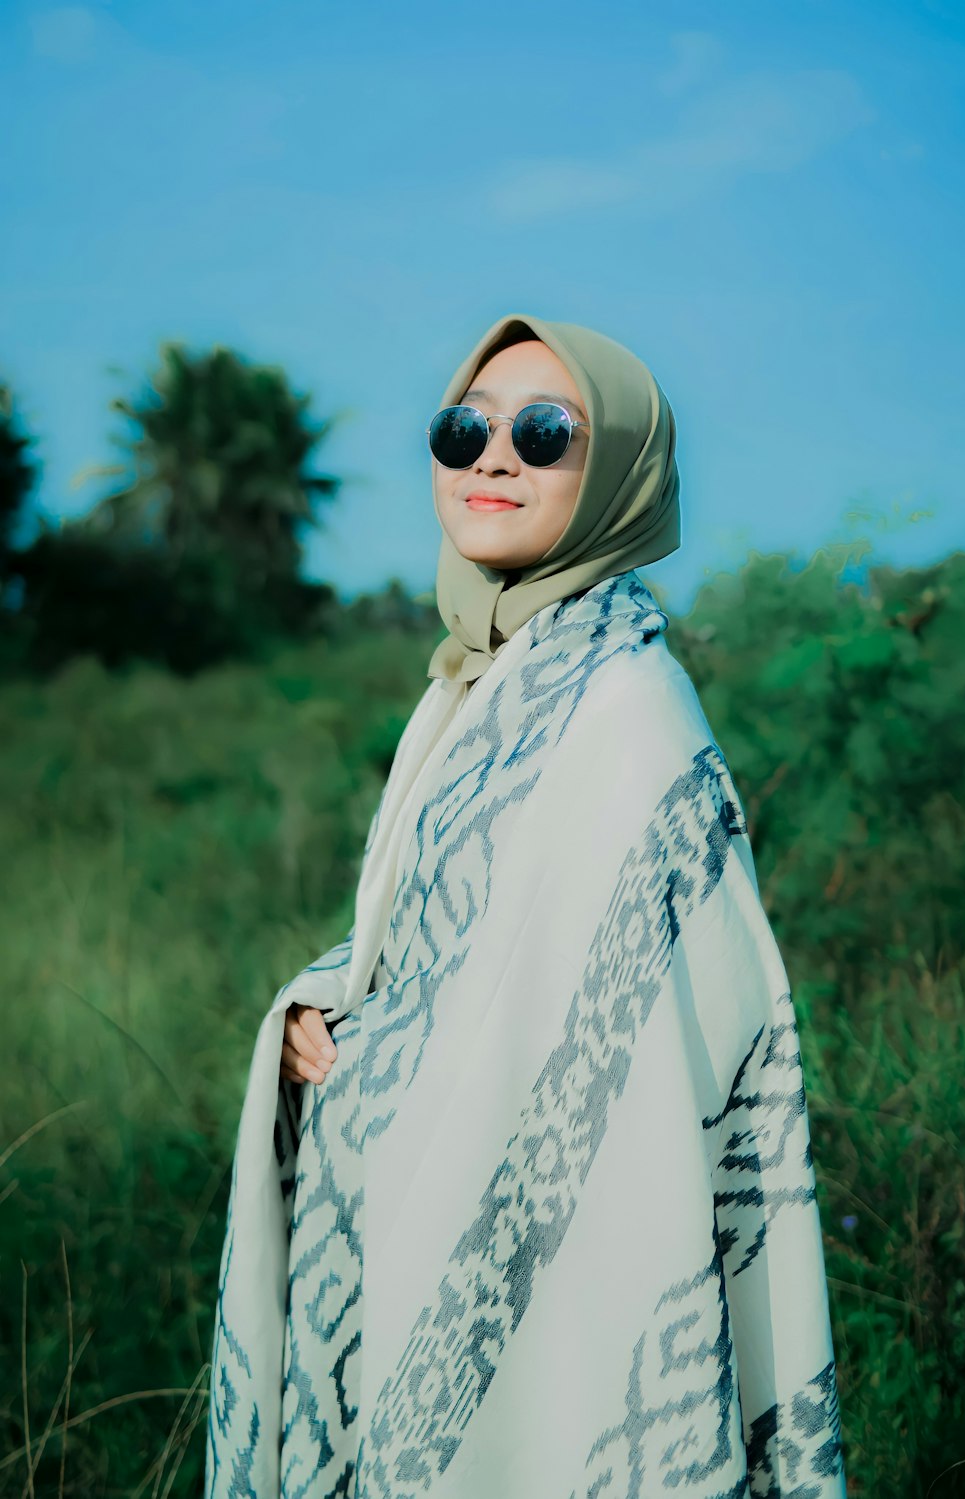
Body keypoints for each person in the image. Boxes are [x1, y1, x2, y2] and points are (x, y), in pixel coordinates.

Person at [204, 313, 848, 1498]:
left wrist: (398, 1051)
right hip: (424, 1233)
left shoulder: (623, 707)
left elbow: (627, 1038)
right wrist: (332, 1004)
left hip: (569, 1269)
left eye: (544, 433)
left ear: (616, 475)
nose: (492, 458)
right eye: (466, 429)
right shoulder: (479, 676)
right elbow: (467, 947)